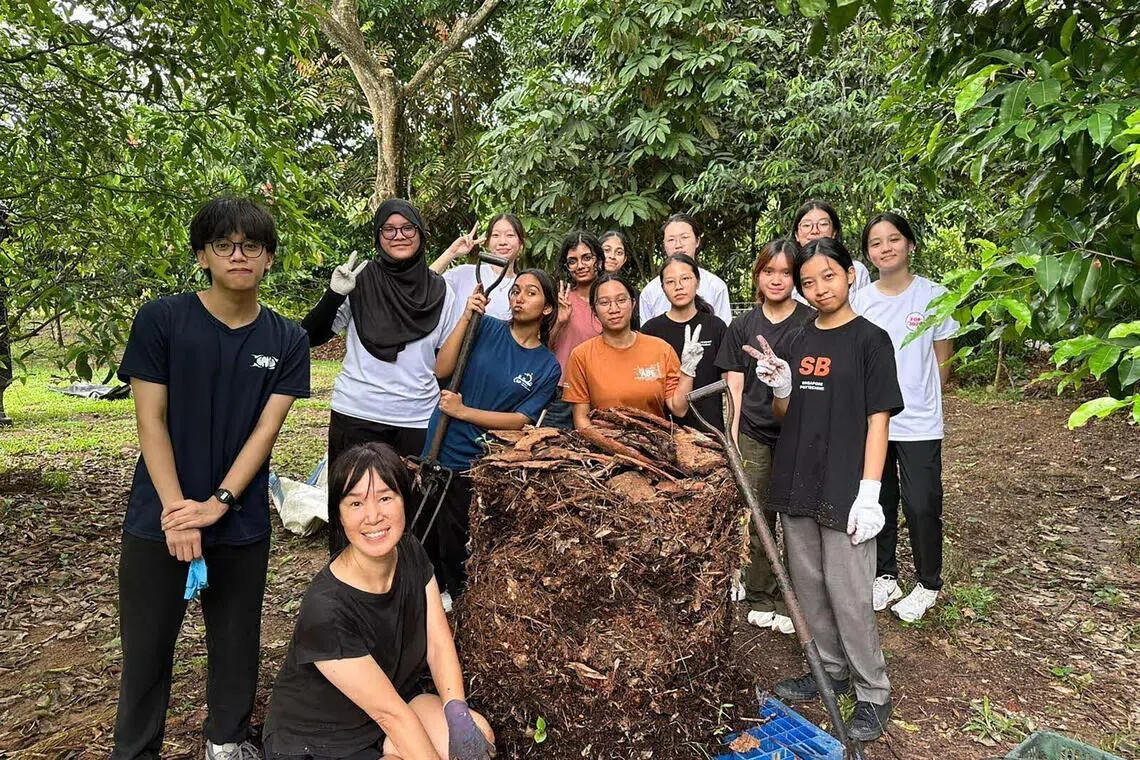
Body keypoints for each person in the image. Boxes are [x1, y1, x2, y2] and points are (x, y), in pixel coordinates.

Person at [113, 197, 311, 760]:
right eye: (223, 245)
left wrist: (220, 503)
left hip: (240, 519)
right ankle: (135, 750)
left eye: (252, 246)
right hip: (160, 518)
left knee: (235, 641)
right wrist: (177, 512)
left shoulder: (287, 339)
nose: (238, 256)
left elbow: (265, 432)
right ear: (202, 254)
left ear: (269, 259)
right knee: (147, 649)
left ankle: (226, 741)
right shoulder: (163, 320)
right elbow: (150, 420)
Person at [745, 237, 902, 742]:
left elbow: (879, 421)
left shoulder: (871, 340)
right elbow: (783, 415)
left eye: (828, 277)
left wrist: (871, 490)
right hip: (796, 476)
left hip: (845, 483)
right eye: (808, 281)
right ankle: (830, 671)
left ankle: (873, 691)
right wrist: (782, 387)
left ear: (851, 274)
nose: (818, 289)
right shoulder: (796, 338)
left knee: (850, 591)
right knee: (809, 586)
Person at [262, 443, 495, 760]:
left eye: (385, 497)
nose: (373, 516)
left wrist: (457, 714)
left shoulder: (409, 550)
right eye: (355, 503)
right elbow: (392, 716)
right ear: (339, 515)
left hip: (388, 708)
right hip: (320, 741)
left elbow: (438, 644)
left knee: (477, 734)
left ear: (404, 502)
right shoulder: (326, 609)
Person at [301, 199, 463, 530]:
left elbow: (445, 361)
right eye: (388, 229)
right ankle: (351, 581)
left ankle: (408, 582)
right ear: (377, 236)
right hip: (358, 413)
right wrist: (334, 295)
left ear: (421, 234)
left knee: (411, 515)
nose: (398, 235)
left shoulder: (442, 291)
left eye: (407, 228)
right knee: (354, 508)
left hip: (415, 418)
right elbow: (310, 336)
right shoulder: (360, 281)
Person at [422, 269, 562, 600]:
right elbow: (442, 369)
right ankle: (421, 611)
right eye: (516, 291)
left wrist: (463, 412)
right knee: (425, 536)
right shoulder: (485, 327)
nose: (520, 298)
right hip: (441, 443)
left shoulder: (547, 366)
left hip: (481, 460)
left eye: (531, 293)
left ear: (547, 308)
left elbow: (520, 420)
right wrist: (468, 316)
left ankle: (459, 611)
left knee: (460, 542)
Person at [852, 212, 957, 622]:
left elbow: (942, 357)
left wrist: (927, 394)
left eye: (894, 239)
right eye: (876, 243)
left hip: (919, 420)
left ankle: (929, 583)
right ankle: (885, 574)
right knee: (880, 497)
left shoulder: (934, 296)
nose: (886, 248)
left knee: (922, 503)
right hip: (874, 421)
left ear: (910, 244)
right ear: (868, 254)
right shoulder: (861, 301)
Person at [715, 238, 814, 635]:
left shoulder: (810, 322)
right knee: (758, 514)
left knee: (797, 516)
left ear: (795, 278)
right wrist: (733, 440)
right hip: (755, 431)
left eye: (785, 272)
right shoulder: (742, 326)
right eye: (768, 271)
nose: (777, 279)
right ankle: (761, 593)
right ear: (758, 275)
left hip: (798, 432)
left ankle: (798, 599)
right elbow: (733, 391)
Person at [564, 273, 702, 428]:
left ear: (633, 303)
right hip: (602, 444)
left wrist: (688, 371)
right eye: (604, 303)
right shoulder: (581, 355)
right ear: (594, 310)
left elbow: (679, 409)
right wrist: (608, 447)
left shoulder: (661, 349)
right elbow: (581, 419)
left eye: (621, 300)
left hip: (653, 443)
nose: (614, 309)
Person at [642, 253, 727, 431]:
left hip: (710, 430)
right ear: (663, 288)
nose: (678, 287)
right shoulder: (651, 330)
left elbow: (729, 383)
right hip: (665, 431)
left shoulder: (715, 326)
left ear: (697, 281)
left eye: (685, 279)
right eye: (670, 282)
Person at [544, 230, 604, 428]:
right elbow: (542, 348)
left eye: (587, 258)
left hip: (600, 391)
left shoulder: (611, 301)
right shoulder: (559, 299)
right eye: (573, 261)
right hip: (562, 392)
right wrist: (560, 320)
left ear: (599, 261)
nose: (580, 266)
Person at [638, 213, 732, 324]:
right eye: (671, 240)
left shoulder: (716, 286)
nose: (678, 245)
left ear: (697, 241)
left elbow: (724, 333)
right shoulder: (650, 292)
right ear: (664, 245)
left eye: (684, 237)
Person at [430, 213, 525, 320]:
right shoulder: (464, 273)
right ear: (487, 242)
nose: (502, 242)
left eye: (510, 235)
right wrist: (452, 252)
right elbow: (423, 285)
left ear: (521, 244)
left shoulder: (523, 287)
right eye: (495, 235)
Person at [789, 200, 872, 300]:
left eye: (823, 224)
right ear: (797, 235)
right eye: (806, 225)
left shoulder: (857, 271)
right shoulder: (787, 275)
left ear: (834, 232)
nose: (815, 231)